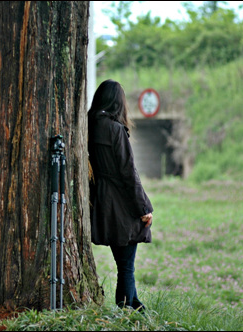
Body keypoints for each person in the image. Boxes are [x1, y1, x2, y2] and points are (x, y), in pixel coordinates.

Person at [88, 79, 153, 312]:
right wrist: (144, 208)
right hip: (121, 202)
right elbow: (128, 173)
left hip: (101, 200)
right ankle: (127, 309)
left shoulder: (88, 125)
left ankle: (134, 305)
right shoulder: (116, 130)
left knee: (125, 264)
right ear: (119, 103)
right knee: (126, 266)